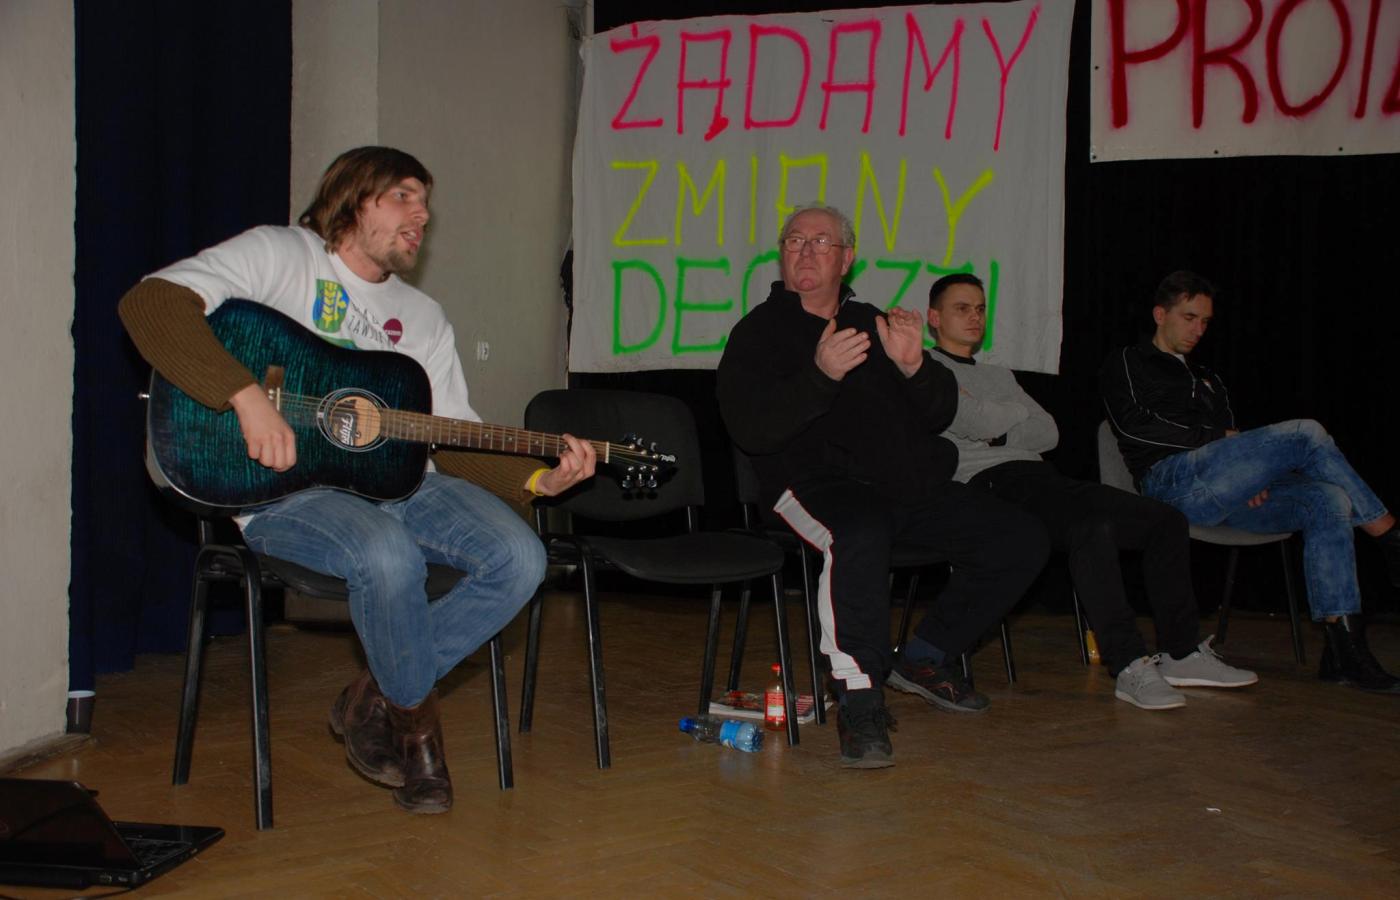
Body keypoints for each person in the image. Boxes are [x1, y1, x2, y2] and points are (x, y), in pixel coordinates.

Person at [118, 146, 597, 812]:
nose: (421, 215)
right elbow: (152, 303)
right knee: (387, 552)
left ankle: (374, 694)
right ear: (353, 195)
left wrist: (541, 482)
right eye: (404, 196)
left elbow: (453, 435)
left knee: (521, 557)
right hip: (286, 493)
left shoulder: (424, 318)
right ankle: (418, 739)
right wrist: (245, 396)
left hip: (404, 483)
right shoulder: (281, 255)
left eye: (426, 204)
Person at [716, 203, 1048, 769]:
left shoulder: (873, 321)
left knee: (1018, 537)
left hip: (899, 484)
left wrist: (916, 366)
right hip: (809, 485)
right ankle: (860, 698)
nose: (806, 251)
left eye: (821, 242)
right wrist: (820, 375)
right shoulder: (758, 333)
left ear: (847, 258)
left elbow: (939, 411)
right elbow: (751, 430)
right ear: (782, 254)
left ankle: (923, 657)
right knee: (860, 532)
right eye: (795, 241)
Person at [925, 273, 1256, 710]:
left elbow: (1048, 432)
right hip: (986, 484)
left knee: (1165, 520)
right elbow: (971, 421)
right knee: (1090, 528)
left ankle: (1181, 653)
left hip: (1039, 476)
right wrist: (1010, 416)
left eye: (981, 308)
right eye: (962, 308)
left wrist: (997, 422)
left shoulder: (998, 373)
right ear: (934, 318)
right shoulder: (927, 371)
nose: (975, 317)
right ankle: (1129, 663)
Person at [1101, 270, 1400, 694]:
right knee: (1307, 432)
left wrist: (1252, 473)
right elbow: (1132, 427)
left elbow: (1235, 444)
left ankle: (1344, 652)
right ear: (1159, 314)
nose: (1198, 330)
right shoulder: (1128, 361)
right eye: (1189, 318)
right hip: (1171, 485)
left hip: (1223, 493)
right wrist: (1218, 440)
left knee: (1330, 499)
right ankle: (1388, 535)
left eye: (1205, 321)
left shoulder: (1210, 380)